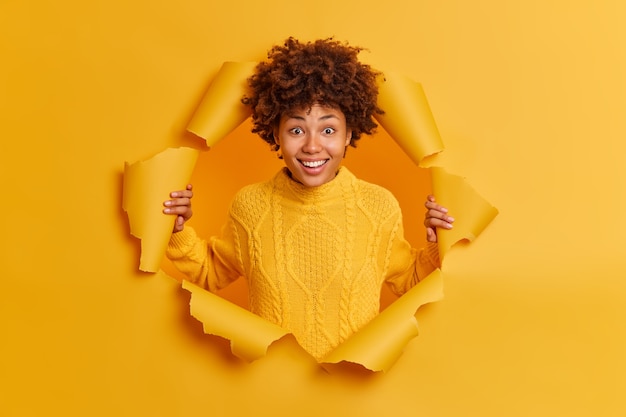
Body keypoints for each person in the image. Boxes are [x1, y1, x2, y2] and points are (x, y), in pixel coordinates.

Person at [163, 38, 454, 360]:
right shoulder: (250, 205)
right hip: (269, 389)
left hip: (352, 392)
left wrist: (441, 243)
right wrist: (175, 230)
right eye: (297, 130)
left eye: (328, 130)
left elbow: (411, 279)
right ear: (276, 134)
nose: (312, 146)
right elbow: (211, 272)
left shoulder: (378, 206)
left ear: (348, 135)